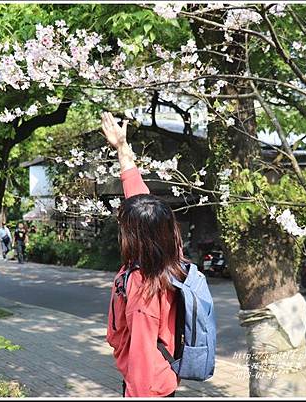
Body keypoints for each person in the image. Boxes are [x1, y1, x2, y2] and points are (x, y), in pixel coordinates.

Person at [101, 112, 185, 397]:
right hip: (162, 377)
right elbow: (141, 200)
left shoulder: (141, 287)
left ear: (136, 236)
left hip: (148, 388)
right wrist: (122, 149)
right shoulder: (170, 256)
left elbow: (141, 357)